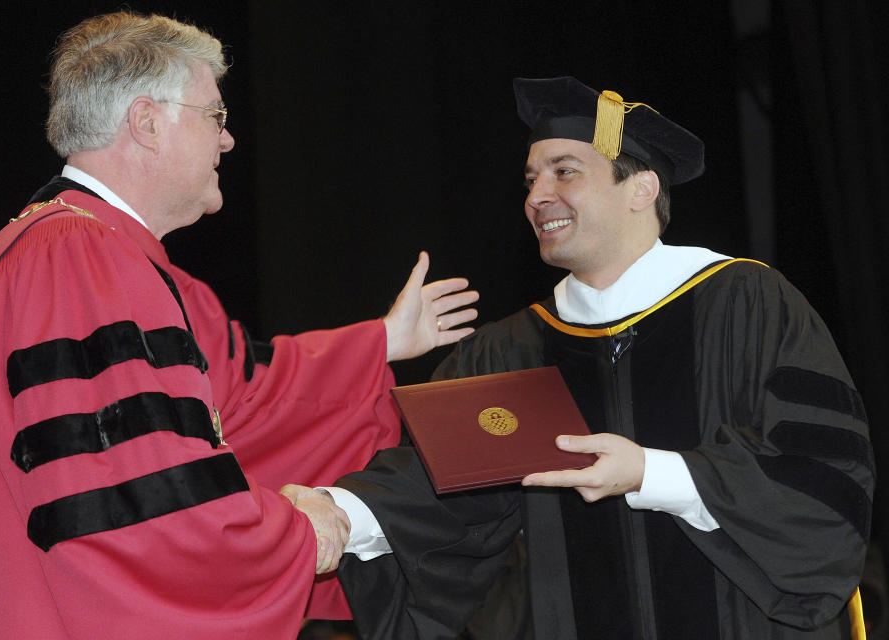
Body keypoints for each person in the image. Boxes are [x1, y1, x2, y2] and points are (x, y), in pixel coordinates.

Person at [0, 12, 479, 639]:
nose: (229, 141)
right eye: (215, 116)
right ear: (146, 122)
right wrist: (298, 534)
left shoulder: (108, 256)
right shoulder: (75, 261)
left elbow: (240, 399)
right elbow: (133, 501)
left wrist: (381, 342)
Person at [312, 76, 874, 639]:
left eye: (565, 171)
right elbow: (439, 489)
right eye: (531, 179)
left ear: (642, 188)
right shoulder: (510, 350)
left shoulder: (748, 303)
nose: (536, 196)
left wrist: (651, 473)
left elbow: (821, 475)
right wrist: (332, 513)